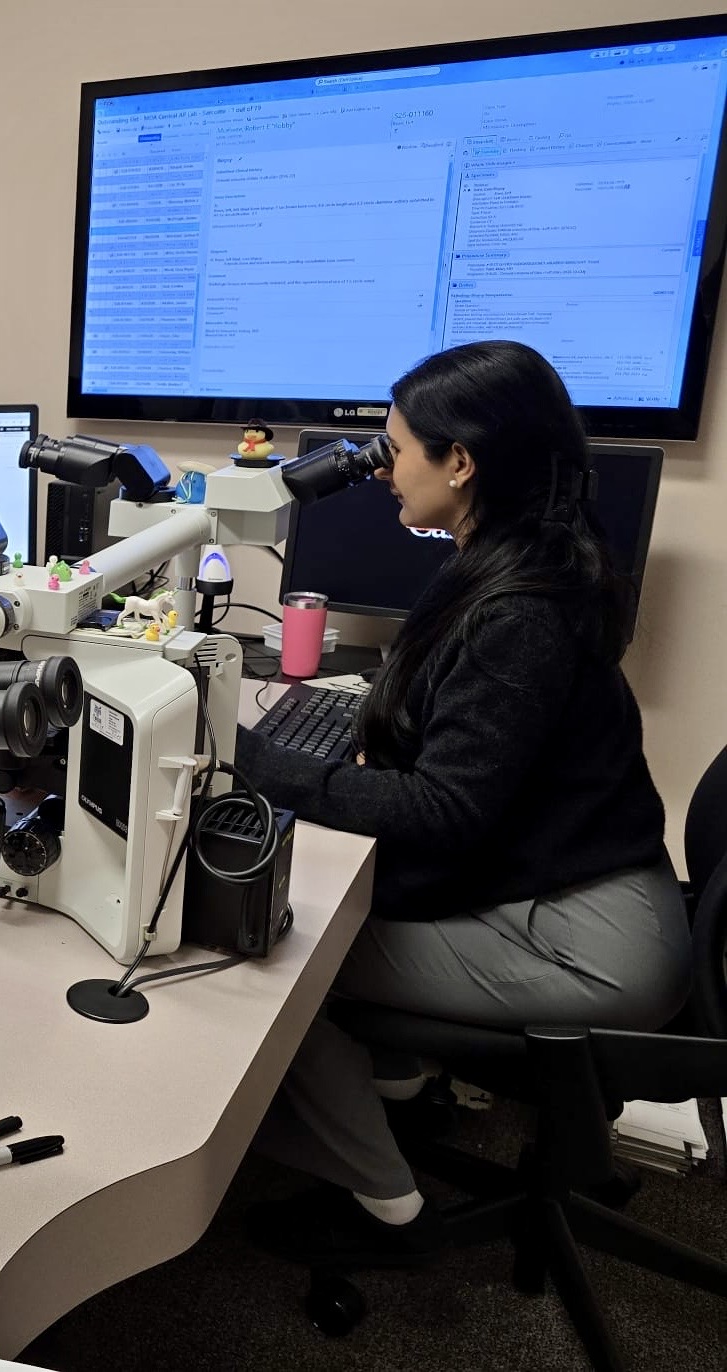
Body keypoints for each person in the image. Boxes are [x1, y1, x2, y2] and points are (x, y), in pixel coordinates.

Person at [235, 339, 690, 1259]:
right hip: (573, 889)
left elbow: (444, 812)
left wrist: (252, 762)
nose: (381, 469)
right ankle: (396, 1083)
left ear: (461, 462)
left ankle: (386, 1206)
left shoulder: (519, 610)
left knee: (276, 948)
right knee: (335, 893)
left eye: (397, 448)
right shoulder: (520, 560)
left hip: (586, 944)